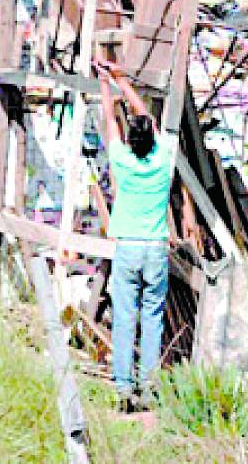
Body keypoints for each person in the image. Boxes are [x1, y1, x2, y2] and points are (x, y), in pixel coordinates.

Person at [95, 61, 175, 411]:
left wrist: (104, 84)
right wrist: (122, 79)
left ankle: (123, 386)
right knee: (152, 317)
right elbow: (146, 118)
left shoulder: (122, 161)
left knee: (125, 316)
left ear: (130, 141)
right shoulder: (164, 160)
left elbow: (110, 122)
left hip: (126, 247)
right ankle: (149, 385)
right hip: (155, 247)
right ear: (153, 136)